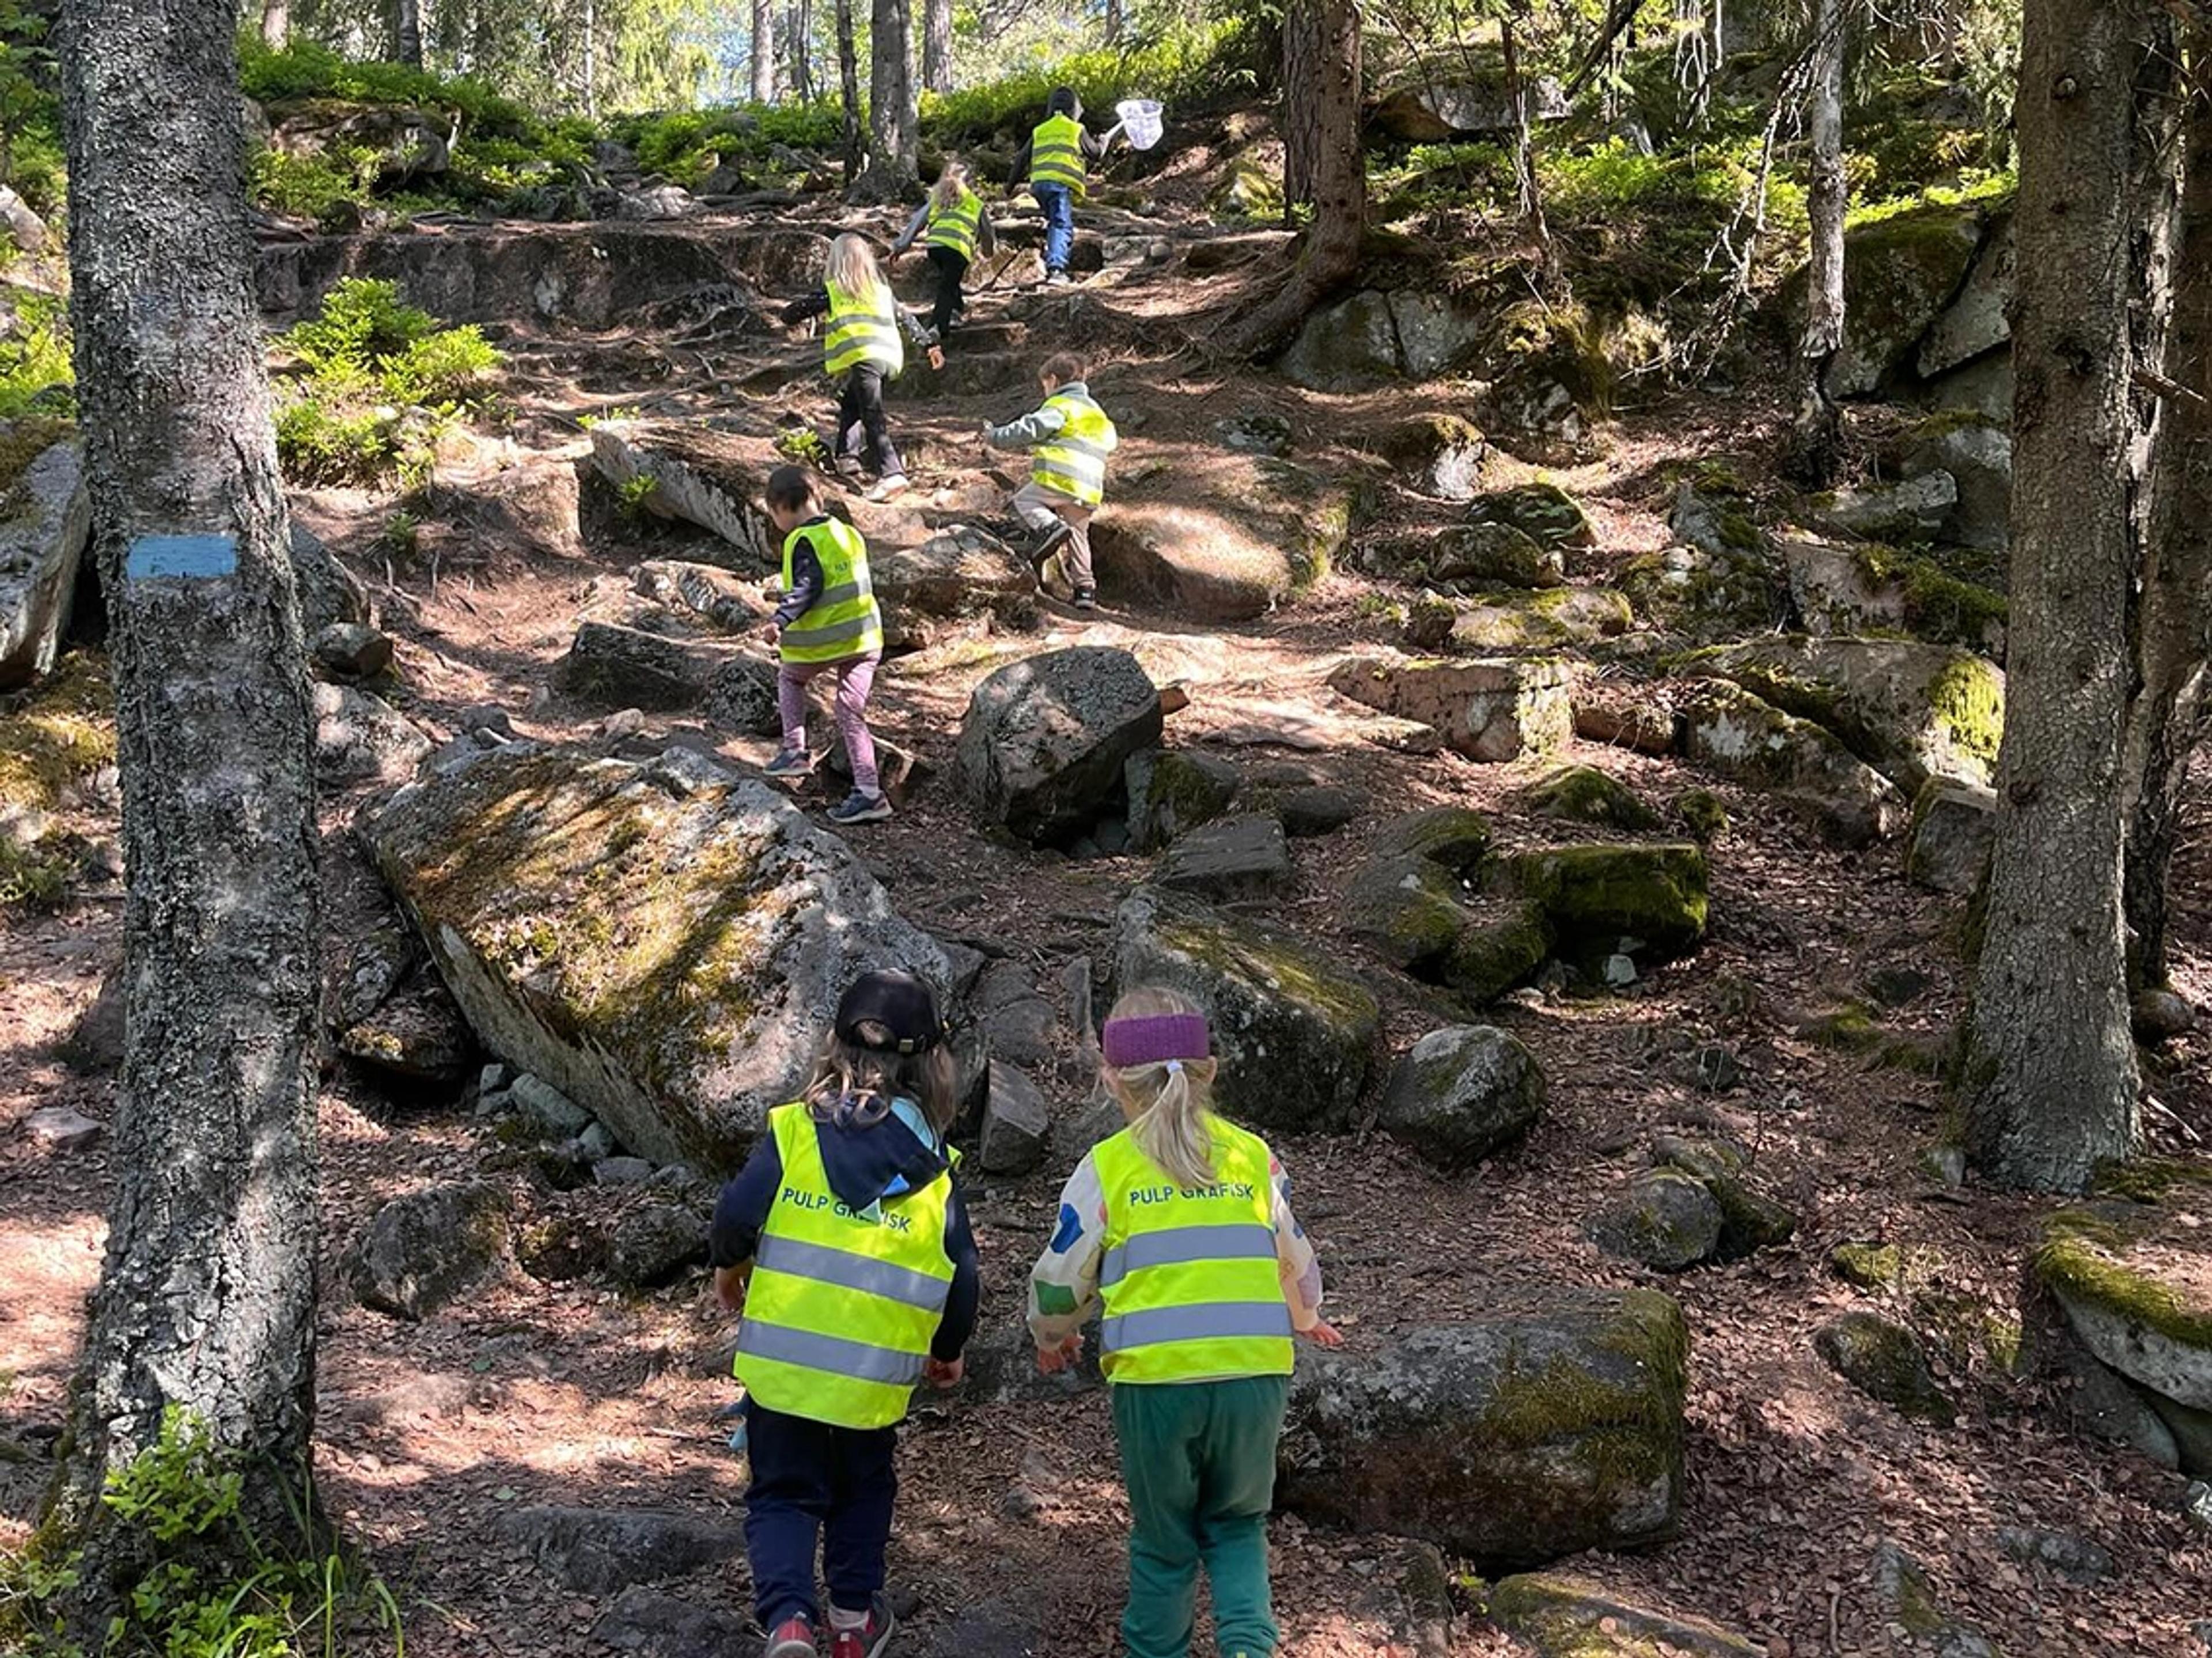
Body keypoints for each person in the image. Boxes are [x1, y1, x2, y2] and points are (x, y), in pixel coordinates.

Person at [1027, 988, 1342, 1658]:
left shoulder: (1108, 1166)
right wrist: (1307, 1316)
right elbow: (1294, 1253)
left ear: (1111, 1079)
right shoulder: (1253, 1156)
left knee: (1164, 1540)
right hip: (1255, 1371)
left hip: (1157, 1381)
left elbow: (1060, 1278)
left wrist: (1053, 1337)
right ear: (1210, 1071)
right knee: (1237, 1526)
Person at [712, 968, 980, 1658]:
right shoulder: (935, 1169)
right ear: (933, 1065)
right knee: (863, 1489)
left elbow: (736, 1213)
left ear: (832, 1045)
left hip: (784, 1369)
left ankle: (789, 1622)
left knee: (783, 1492)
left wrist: (729, 1268)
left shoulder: (795, 1134)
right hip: (871, 1378)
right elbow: (963, 1272)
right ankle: (855, 1621)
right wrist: (948, 1348)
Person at [760, 464, 892, 826]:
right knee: (850, 711)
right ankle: (870, 792)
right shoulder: (848, 532)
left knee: (791, 679)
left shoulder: (802, 541)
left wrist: (779, 620)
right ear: (817, 498)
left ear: (780, 509)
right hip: (864, 641)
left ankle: (795, 751)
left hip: (821, 644)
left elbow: (809, 586)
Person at [781, 233, 941, 502]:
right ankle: (847, 457)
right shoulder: (882, 293)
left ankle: (892, 473)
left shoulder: (834, 291)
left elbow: (792, 313)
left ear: (836, 262)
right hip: (887, 358)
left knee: (872, 415)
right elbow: (907, 319)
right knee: (852, 402)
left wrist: (790, 314)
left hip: (864, 357)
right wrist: (930, 346)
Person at [983, 351, 1118, 611]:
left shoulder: (1060, 405)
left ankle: (1049, 526)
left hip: (1060, 477)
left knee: (1025, 499)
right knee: (1079, 536)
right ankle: (1085, 590)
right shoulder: (1096, 411)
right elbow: (1111, 441)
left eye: (1044, 384)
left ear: (1054, 380)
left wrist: (995, 436)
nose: (1044, 390)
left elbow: (1030, 429)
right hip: (1089, 486)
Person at [1009, 86, 1113, 286]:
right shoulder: (1076, 129)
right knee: (1061, 224)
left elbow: (1021, 159)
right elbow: (1095, 153)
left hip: (1039, 186)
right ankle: (1056, 270)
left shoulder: (1040, 130)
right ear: (1075, 109)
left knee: (1054, 221)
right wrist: (1104, 142)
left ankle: (1051, 253)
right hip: (1059, 185)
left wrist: (1009, 188)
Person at [889, 159, 997, 338]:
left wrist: (901, 246)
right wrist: (989, 252)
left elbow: (917, 223)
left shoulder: (937, 199)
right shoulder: (975, 203)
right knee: (947, 287)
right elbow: (987, 233)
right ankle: (937, 327)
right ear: (970, 183)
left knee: (950, 280)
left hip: (936, 247)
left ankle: (956, 310)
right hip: (958, 249)